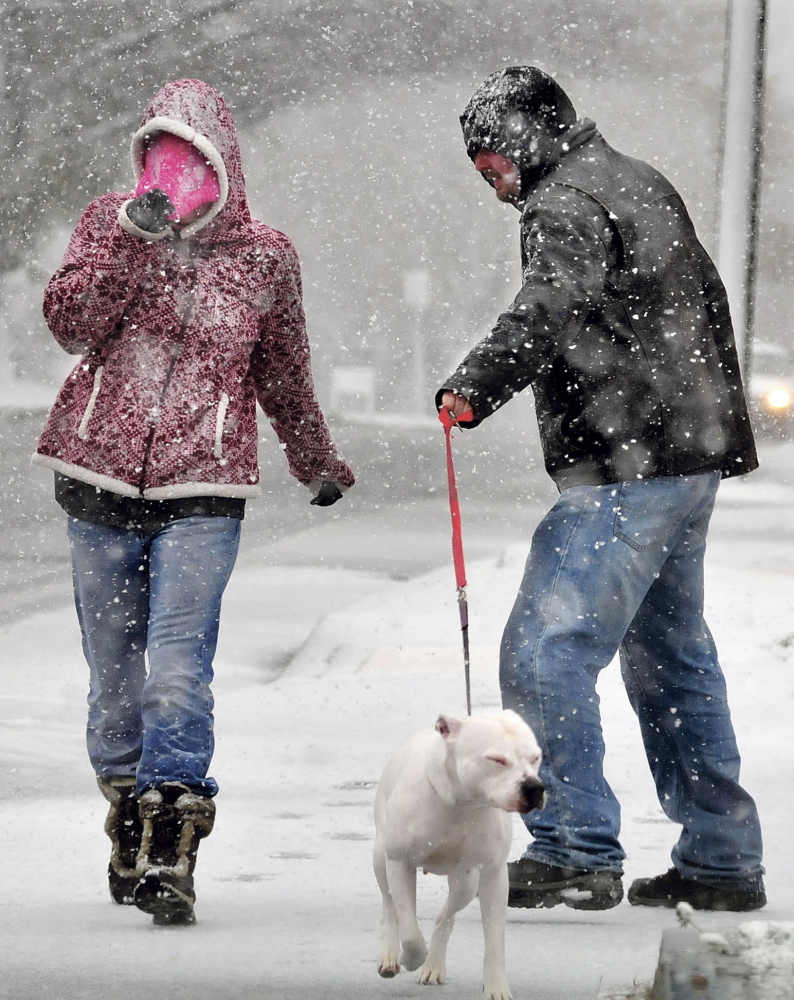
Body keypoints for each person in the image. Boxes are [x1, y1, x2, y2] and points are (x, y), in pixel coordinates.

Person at [437, 66, 765, 912]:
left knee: (544, 650)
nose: (495, 185)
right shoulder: (635, 179)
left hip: (628, 462)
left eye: (494, 164)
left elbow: (550, 306)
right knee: (671, 659)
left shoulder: (566, 199)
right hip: (687, 454)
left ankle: (575, 845)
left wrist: (475, 382)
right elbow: (706, 302)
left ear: (527, 141)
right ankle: (721, 858)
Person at [34, 79, 354, 926]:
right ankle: (126, 806)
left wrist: (315, 457)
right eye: (158, 156)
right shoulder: (109, 223)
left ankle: (172, 831)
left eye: (188, 159)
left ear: (222, 163)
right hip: (97, 478)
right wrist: (133, 244)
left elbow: (282, 366)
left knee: (177, 669)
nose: (170, 175)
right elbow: (69, 322)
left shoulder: (265, 256)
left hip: (204, 488)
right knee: (114, 675)